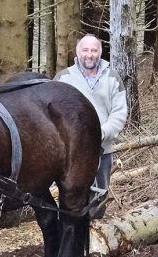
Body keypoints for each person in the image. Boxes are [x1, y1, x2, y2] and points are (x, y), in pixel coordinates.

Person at [54, 34, 128, 218]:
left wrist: (101, 133)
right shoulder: (63, 79)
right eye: (85, 50)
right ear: (78, 52)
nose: (90, 54)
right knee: (70, 197)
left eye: (94, 50)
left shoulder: (113, 78)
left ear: (100, 52)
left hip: (103, 149)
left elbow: (119, 113)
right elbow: (52, 115)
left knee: (99, 197)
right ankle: (70, 238)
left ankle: (96, 237)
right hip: (71, 152)